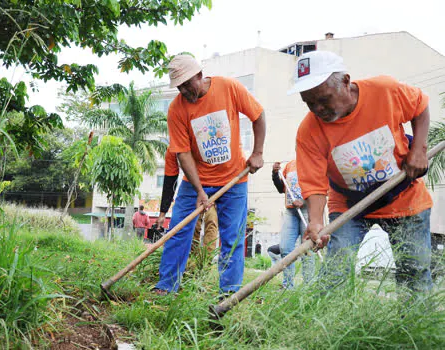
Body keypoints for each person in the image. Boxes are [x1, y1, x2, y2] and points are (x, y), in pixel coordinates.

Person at [289, 50, 433, 293]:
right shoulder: (309, 131)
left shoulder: (383, 90)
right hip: (349, 204)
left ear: (345, 81)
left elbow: (420, 105)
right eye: (309, 102)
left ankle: (412, 329)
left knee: (414, 273)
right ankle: (331, 328)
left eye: (324, 99)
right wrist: (315, 223)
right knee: (336, 273)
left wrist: (418, 150)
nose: (318, 108)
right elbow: (313, 183)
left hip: (402, 194)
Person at [153, 54, 266, 295]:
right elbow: (182, 154)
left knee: (232, 238)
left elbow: (258, 115)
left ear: (199, 74)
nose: (184, 90)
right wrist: (200, 191)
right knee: (178, 231)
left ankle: (229, 295)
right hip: (194, 180)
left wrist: (257, 152)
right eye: (179, 87)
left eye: (187, 83)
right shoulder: (176, 109)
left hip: (234, 179)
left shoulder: (229, 87)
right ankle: (166, 286)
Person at [156, 149, 219, 252]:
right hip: (191, 186)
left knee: (211, 222)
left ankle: (206, 262)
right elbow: (169, 182)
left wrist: (217, 198)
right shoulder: (172, 150)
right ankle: (191, 259)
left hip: (215, 185)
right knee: (192, 225)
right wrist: (163, 213)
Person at [272, 159, 314, 289]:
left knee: (307, 249)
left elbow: (320, 190)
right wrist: (274, 174)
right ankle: (288, 286)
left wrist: (304, 201)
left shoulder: (313, 163)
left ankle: (308, 287)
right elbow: (281, 189)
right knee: (285, 247)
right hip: (291, 211)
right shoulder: (290, 165)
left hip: (308, 210)